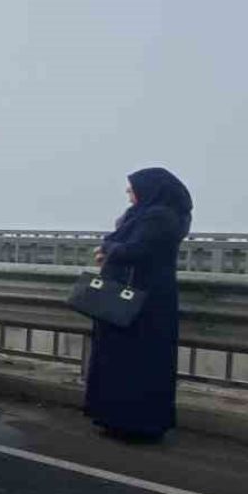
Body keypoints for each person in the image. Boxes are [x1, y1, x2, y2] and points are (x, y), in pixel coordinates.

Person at [84, 168, 193, 444]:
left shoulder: (159, 216)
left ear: (151, 189)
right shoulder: (155, 214)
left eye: (132, 187)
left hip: (140, 301)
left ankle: (132, 424)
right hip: (143, 298)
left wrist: (107, 250)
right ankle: (118, 419)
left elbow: (138, 250)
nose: (128, 192)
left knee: (132, 363)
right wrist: (111, 246)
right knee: (131, 362)